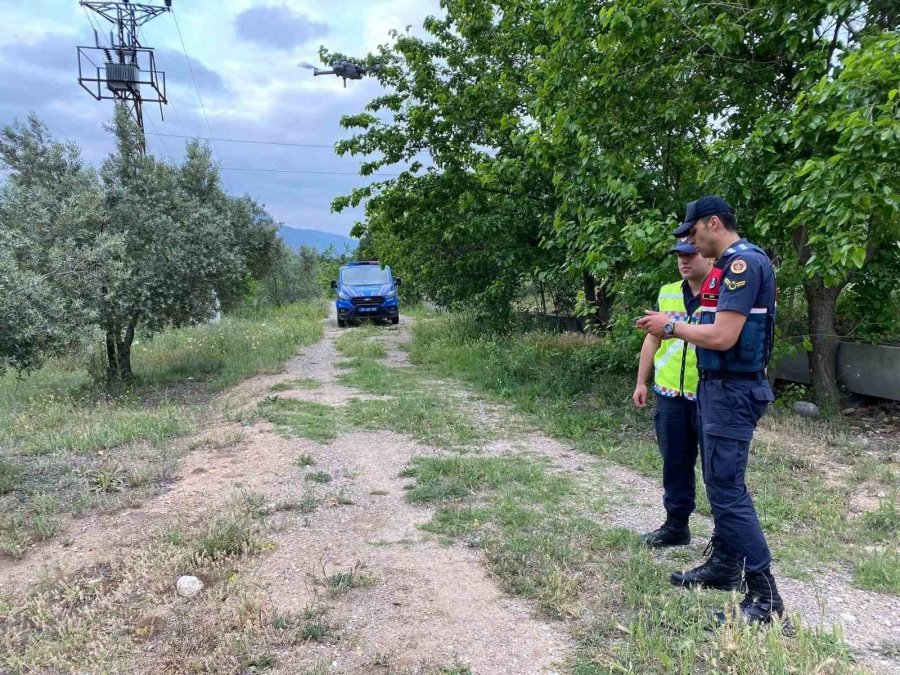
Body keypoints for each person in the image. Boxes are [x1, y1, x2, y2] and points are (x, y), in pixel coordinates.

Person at [636, 195, 784, 625]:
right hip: (718, 389)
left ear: (713, 223)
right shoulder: (727, 267)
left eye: (692, 231)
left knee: (727, 489)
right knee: (720, 484)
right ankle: (724, 565)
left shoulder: (742, 264)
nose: (689, 241)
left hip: (733, 391)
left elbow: (721, 336)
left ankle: (765, 595)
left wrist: (670, 326)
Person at [632, 239, 712, 547]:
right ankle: (676, 526)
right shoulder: (668, 292)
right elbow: (653, 340)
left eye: (690, 254)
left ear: (708, 254)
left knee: (716, 471)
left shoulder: (723, 293)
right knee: (675, 463)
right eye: (680, 255)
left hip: (707, 394)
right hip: (669, 394)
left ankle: (726, 538)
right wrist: (641, 382)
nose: (684, 261)